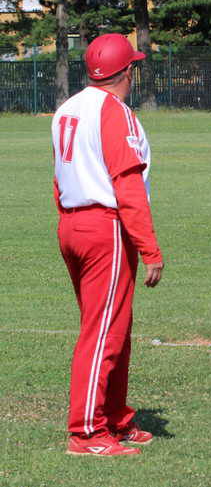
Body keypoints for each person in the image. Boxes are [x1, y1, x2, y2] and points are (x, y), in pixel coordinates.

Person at [52, 33, 164, 456]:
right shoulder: (114, 112)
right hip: (105, 227)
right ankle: (86, 433)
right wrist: (149, 247)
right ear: (128, 71)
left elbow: (60, 176)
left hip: (72, 224)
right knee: (102, 332)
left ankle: (114, 418)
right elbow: (128, 184)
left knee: (112, 329)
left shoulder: (67, 108)